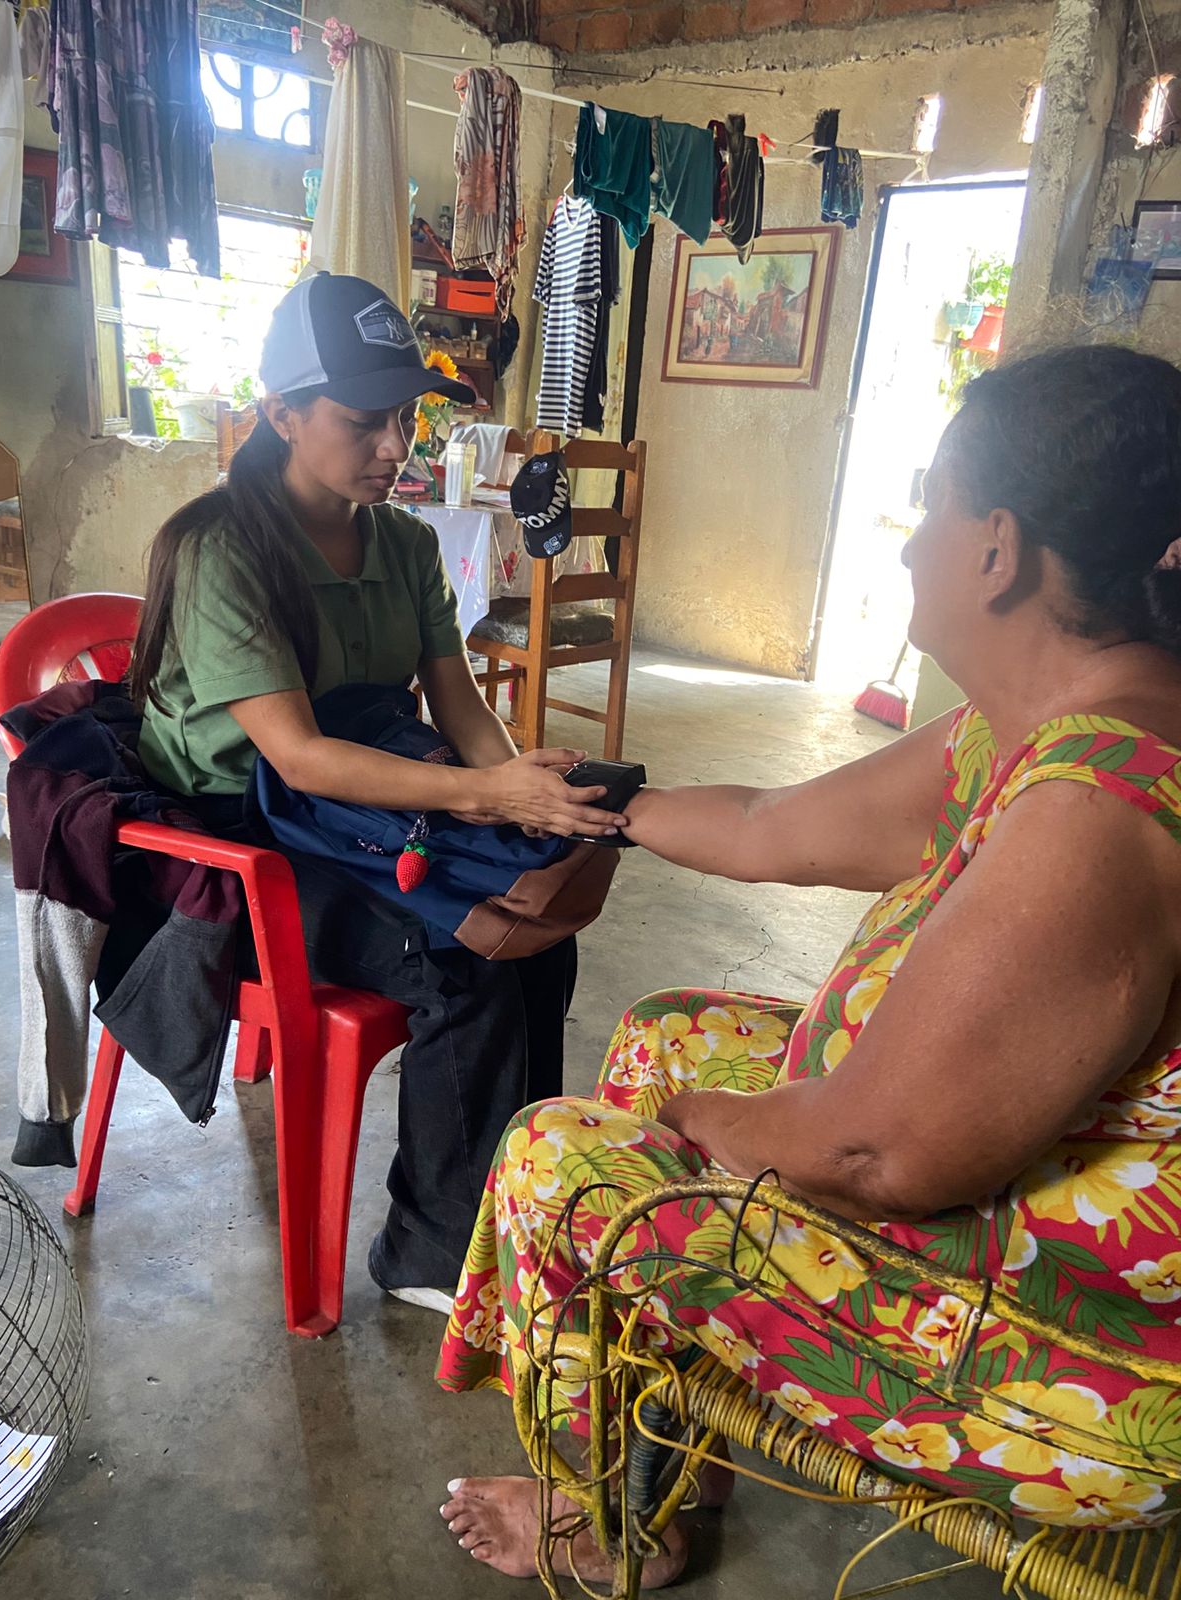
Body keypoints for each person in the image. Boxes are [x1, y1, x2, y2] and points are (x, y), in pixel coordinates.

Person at [435, 344, 1181, 1583]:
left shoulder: (1093, 813)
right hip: (1019, 1208)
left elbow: (877, 1154)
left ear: (998, 551)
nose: (911, 545)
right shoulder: (1048, 723)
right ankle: (672, 1448)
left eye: (933, 508)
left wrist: (702, 1123)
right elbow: (771, 826)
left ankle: (607, 1523)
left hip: (1079, 1362)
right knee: (664, 1031)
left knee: (555, 1165)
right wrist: (596, 806)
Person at [132, 272, 629, 1312]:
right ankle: (434, 1251)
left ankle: (511, 1205)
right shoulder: (223, 550)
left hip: (357, 812)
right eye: (363, 422)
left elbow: (461, 706)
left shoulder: (403, 543)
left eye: (404, 416)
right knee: (458, 953)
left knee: (534, 927)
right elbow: (300, 759)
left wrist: (515, 781)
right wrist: (484, 798)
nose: (395, 445)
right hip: (243, 839)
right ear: (282, 414)